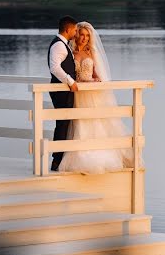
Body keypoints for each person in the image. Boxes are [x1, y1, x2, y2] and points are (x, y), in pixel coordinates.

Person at [58, 22, 140, 174]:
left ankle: (101, 155)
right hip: (77, 94)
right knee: (80, 124)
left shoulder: (91, 53)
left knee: (96, 122)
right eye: (81, 34)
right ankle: (80, 156)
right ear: (76, 35)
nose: (84, 38)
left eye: (87, 36)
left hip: (92, 93)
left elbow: (96, 75)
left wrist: (95, 80)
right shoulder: (70, 53)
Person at [48, 15, 78, 171]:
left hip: (64, 90)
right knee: (62, 123)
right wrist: (70, 81)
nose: (76, 32)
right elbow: (55, 68)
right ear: (68, 29)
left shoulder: (64, 44)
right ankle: (56, 160)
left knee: (64, 123)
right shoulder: (59, 45)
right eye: (74, 29)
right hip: (61, 91)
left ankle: (59, 159)